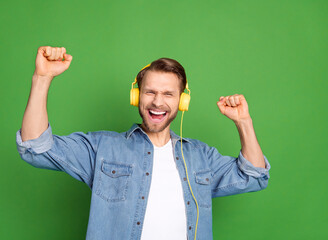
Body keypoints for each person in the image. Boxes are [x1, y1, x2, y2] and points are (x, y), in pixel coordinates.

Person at [15, 46, 271, 240]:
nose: (158, 102)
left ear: (182, 102)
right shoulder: (102, 148)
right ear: (136, 95)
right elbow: (34, 148)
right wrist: (42, 77)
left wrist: (243, 121)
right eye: (150, 92)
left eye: (168, 94)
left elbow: (254, 176)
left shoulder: (201, 156)